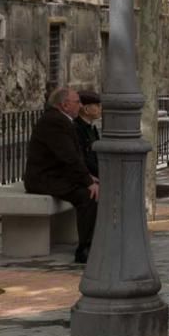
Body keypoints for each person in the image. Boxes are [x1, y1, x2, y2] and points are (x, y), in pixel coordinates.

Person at [23, 88, 100, 264]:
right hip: (44, 179)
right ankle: (84, 249)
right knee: (88, 195)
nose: (80, 105)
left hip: (56, 176)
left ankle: (92, 241)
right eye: (77, 102)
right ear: (65, 105)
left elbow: (74, 156)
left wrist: (88, 176)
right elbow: (69, 157)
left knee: (93, 189)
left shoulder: (61, 120)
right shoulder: (55, 122)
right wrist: (88, 182)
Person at [75, 91, 102, 178]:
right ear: (86, 109)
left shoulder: (92, 127)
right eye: (97, 106)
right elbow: (83, 157)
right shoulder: (77, 128)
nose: (100, 109)